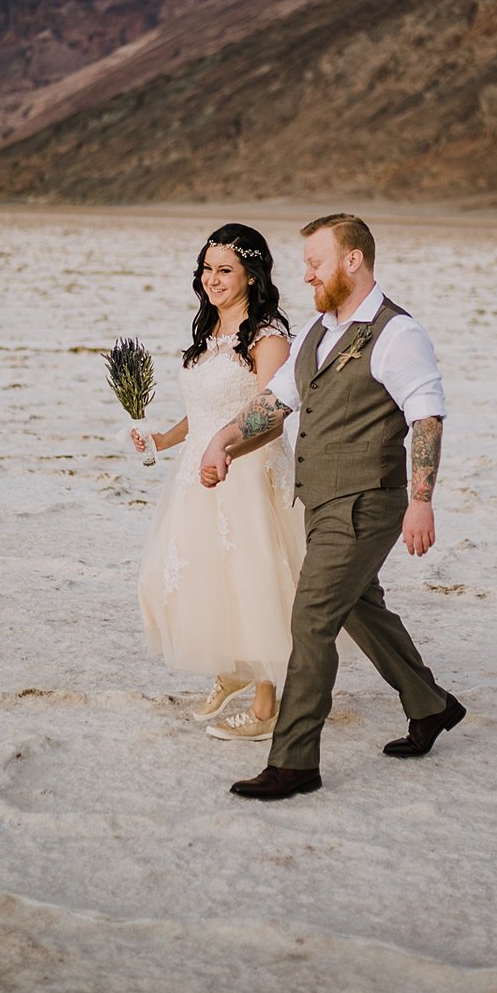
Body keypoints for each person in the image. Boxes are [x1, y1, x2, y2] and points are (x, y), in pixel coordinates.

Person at [200, 212, 464, 799]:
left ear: (353, 260)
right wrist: (223, 440)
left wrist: (421, 501)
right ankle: (430, 704)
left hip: (369, 500)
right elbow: (275, 403)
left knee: (312, 616)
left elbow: (426, 416)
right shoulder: (317, 333)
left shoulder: (398, 334)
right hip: (318, 498)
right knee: (356, 604)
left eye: (316, 263)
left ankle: (295, 762)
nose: (307, 274)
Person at [135, 223, 303, 741]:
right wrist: (163, 439)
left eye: (225, 270)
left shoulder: (268, 333)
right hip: (198, 473)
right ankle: (234, 669)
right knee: (201, 576)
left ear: (252, 275)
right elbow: (206, 408)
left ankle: (266, 706)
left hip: (249, 469)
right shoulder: (208, 331)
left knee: (256, 580)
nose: (213, 279)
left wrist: (227, 449)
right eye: (207, 269)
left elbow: (268, 413)